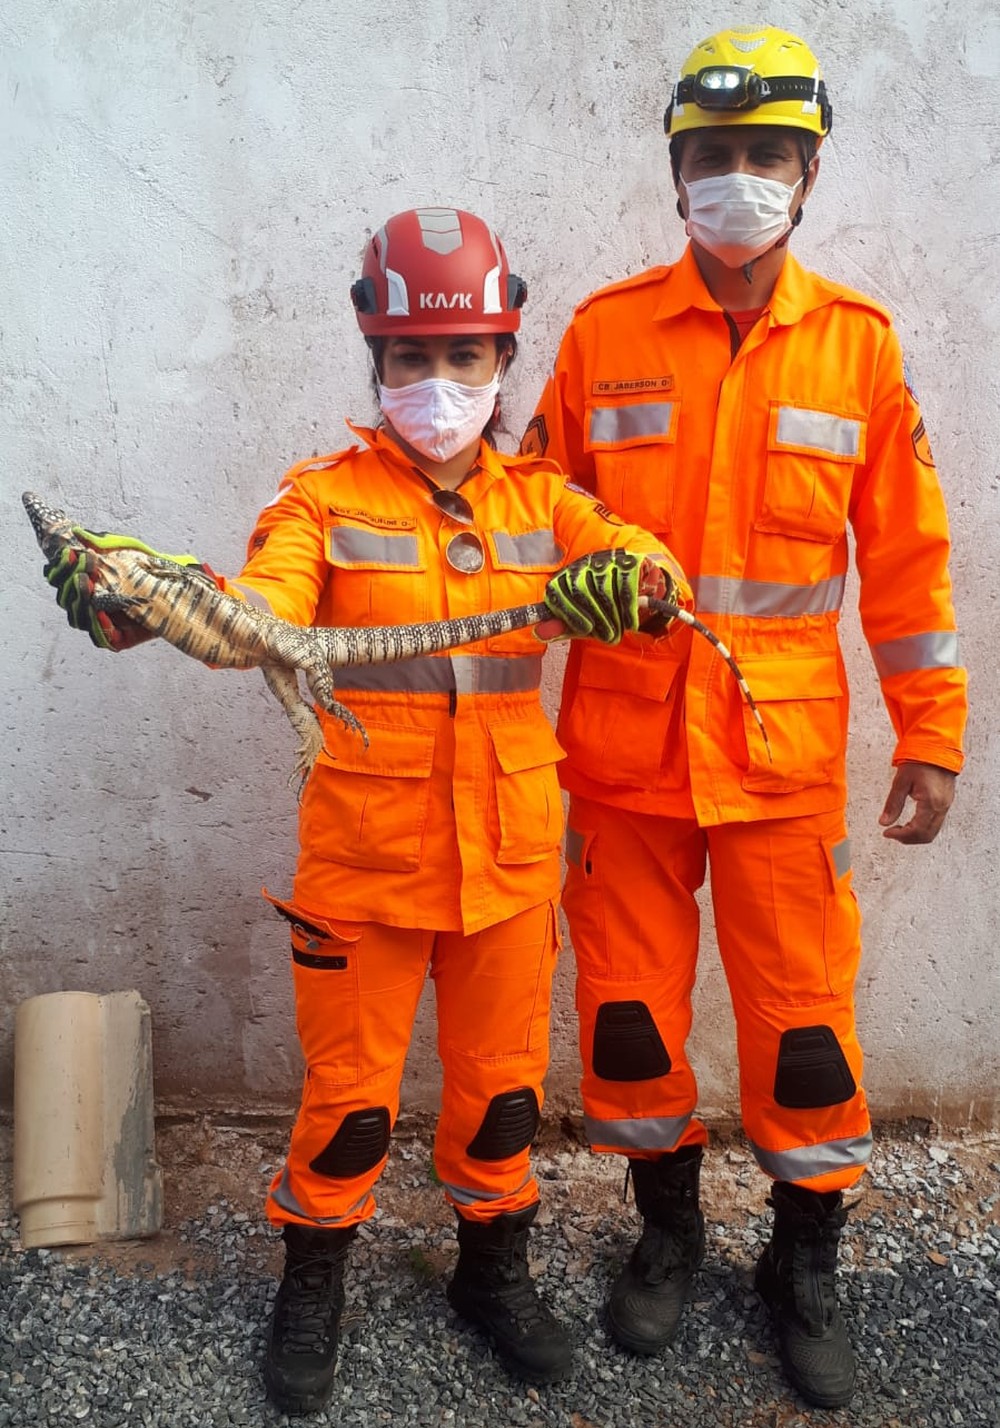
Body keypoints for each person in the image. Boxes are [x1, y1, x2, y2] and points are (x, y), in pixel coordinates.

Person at [41, 206, 690, 1416]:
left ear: (503, 358)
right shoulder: (319, 502)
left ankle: (490, 1276)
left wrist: (639, 584)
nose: (437, 383)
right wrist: (148, 602)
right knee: (348, 1106)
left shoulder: (546, 505)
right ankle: (315, 1281)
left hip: (504, 868)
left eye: (463, 357)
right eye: (410, 358)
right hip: (364, 867)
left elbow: (647, 561)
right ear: (374, 358)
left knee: (500, 1096)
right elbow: (255, 613)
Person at [521, 27, 967, 1411]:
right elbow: (534, 523)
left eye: (763, 154)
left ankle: (803, 1263)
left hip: (780, 759)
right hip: (623, 757)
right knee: (633, 1025)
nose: (736, 179)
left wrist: (932, 731)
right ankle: (666, 1234)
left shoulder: (859, 351)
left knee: (804, 1028)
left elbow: (907, 565)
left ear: (808, 173)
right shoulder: (602, 336)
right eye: (710, 156)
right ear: (676, 176)